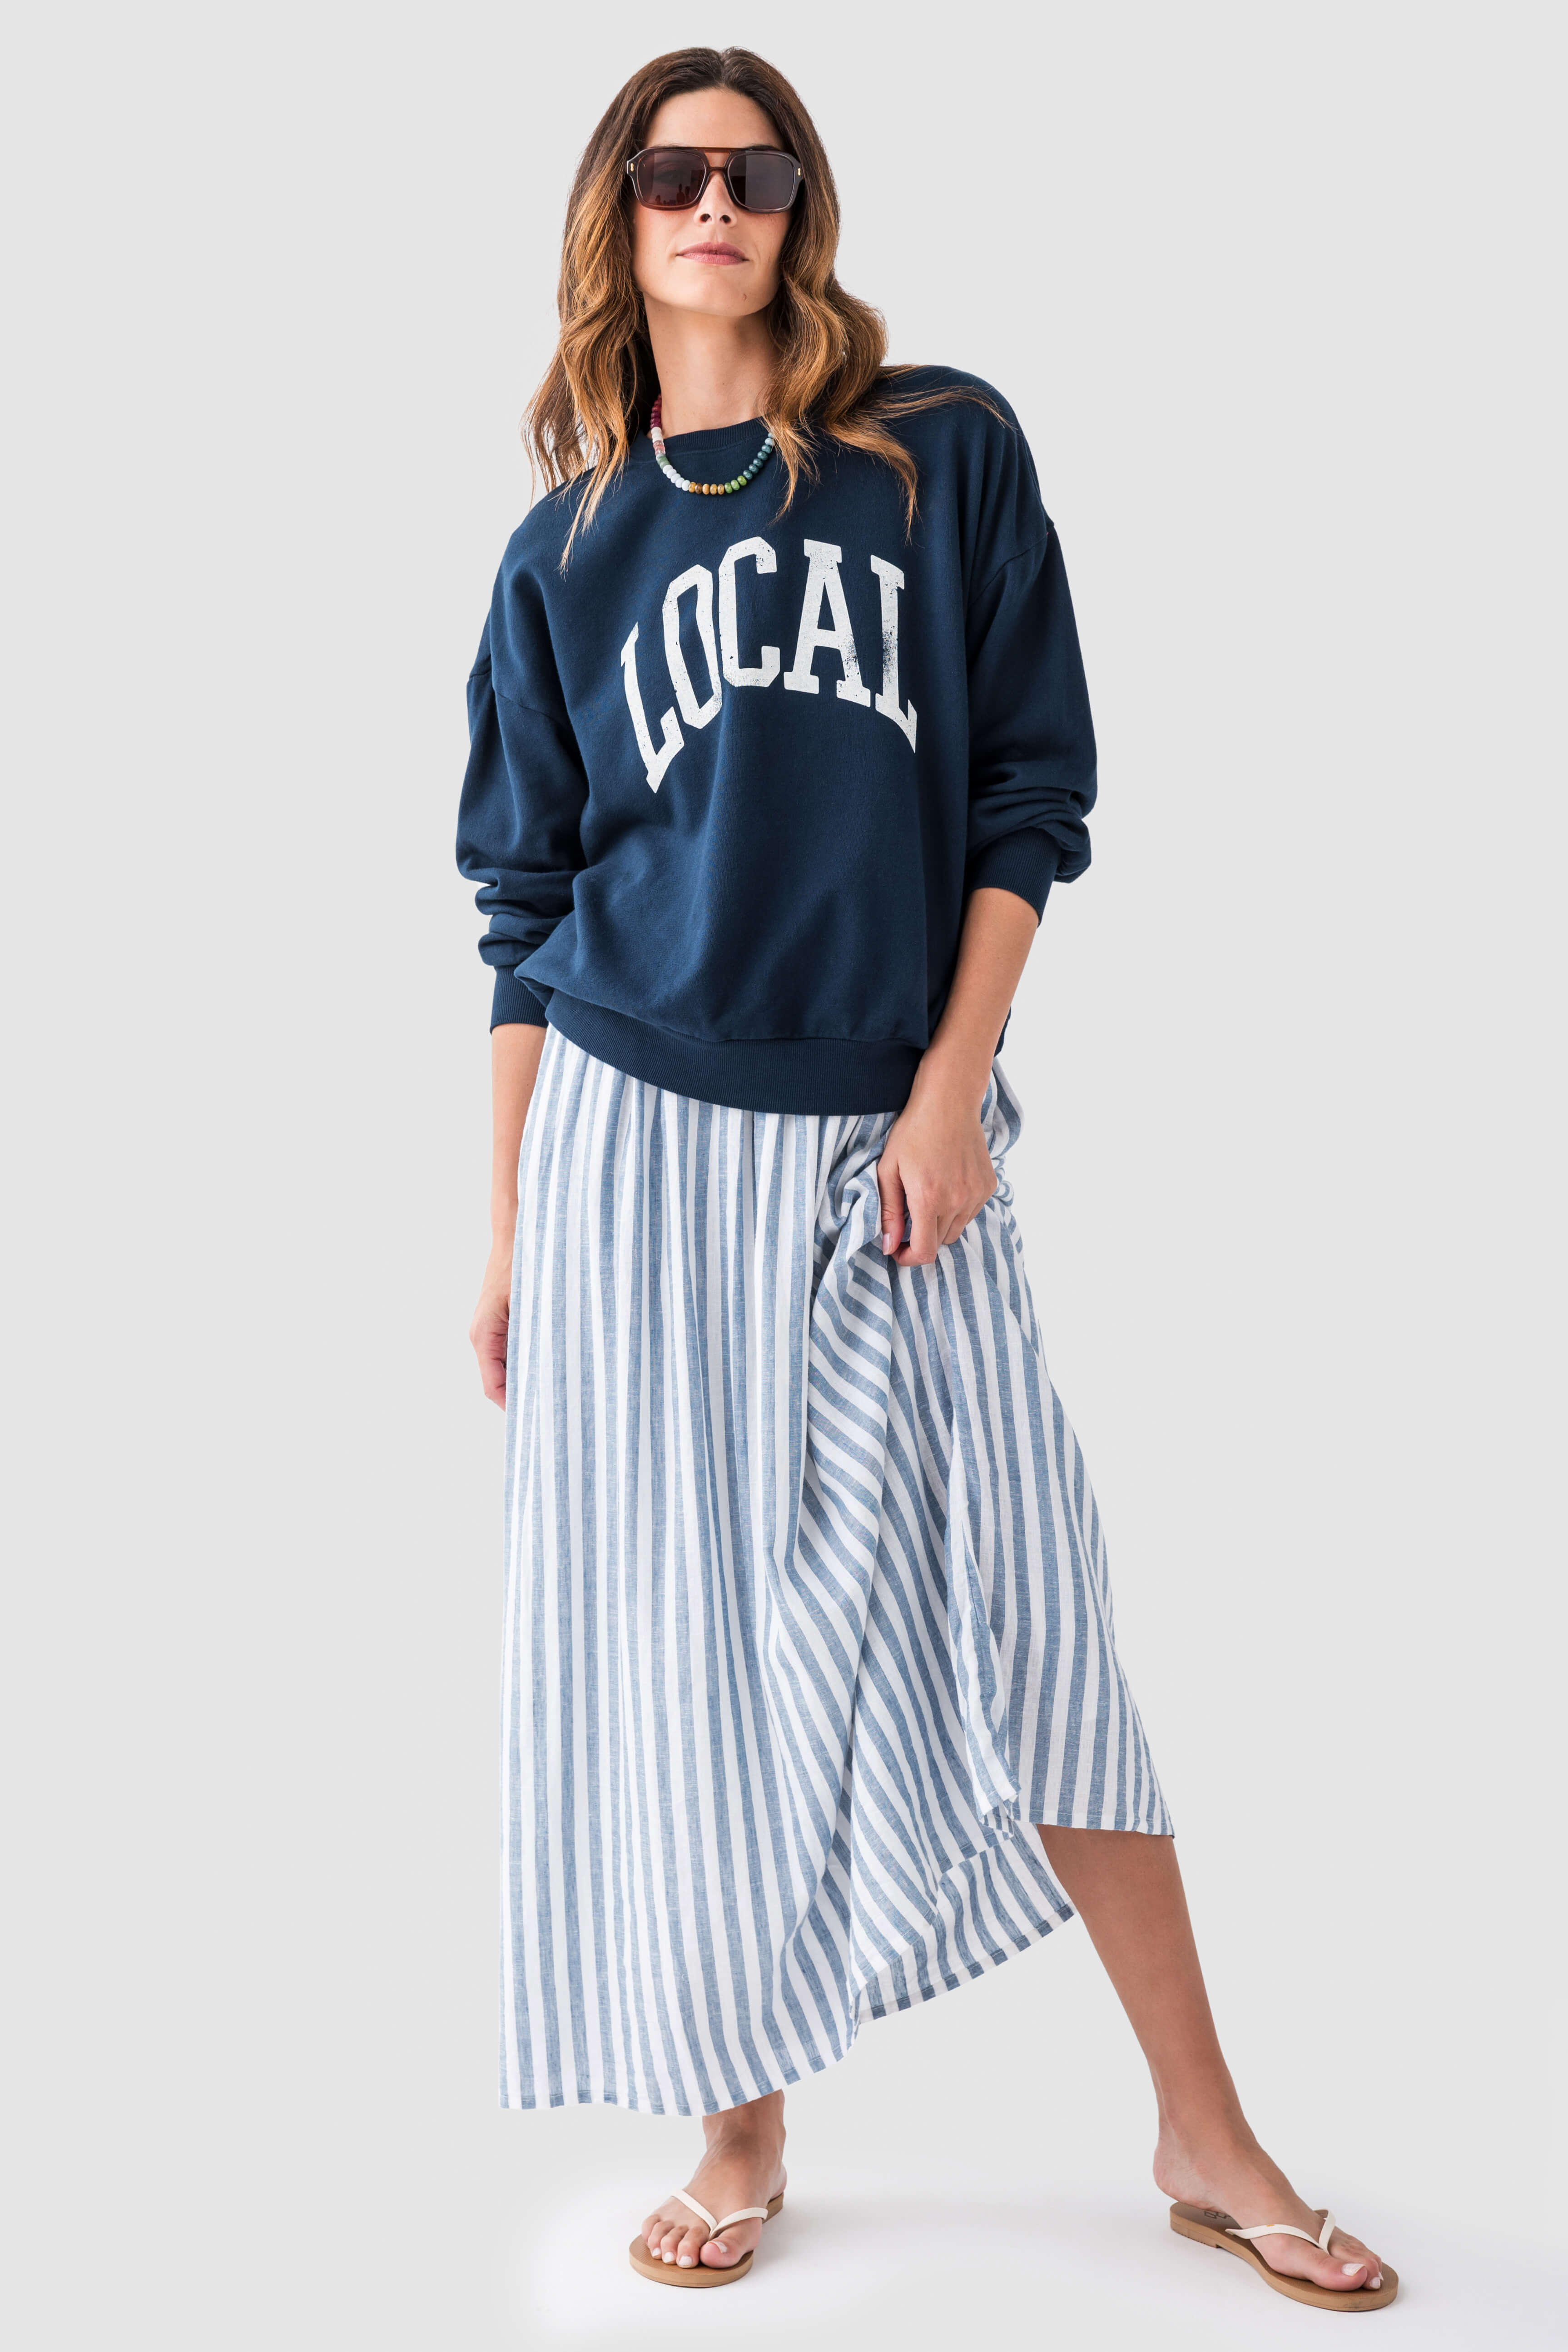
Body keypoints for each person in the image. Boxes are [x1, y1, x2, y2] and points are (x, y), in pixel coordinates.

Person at [456, 44, 1394, 2314]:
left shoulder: (933, 454)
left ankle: (1201, 2125)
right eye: (670, 172)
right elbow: (522, 906)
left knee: (1033, 1603)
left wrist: (954, 1084)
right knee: (683, 1650)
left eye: (755, 169)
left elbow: (1026, 795)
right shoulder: (564, 549)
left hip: (894, 1137)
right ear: (615, 216)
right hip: (630, 1147)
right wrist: (503, 1229)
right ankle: (739, 2122)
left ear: (802, 207)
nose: (714, 202)